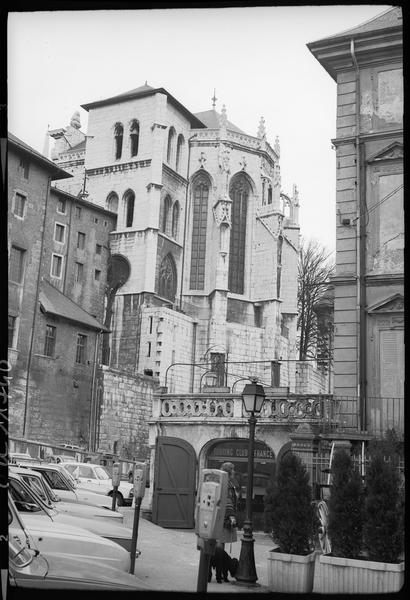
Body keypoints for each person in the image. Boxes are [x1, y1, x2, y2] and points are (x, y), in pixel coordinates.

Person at [217, 462, 238, 551]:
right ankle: (219, 560)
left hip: (222, 514)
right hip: (224, 515)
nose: (234, 472)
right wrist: (231, 516)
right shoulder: (226, 483)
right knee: (221, 539)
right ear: (228, 471)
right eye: (232, 469)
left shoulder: (225, 481)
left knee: (221, 539)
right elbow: (227, 499)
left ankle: (219, 559)